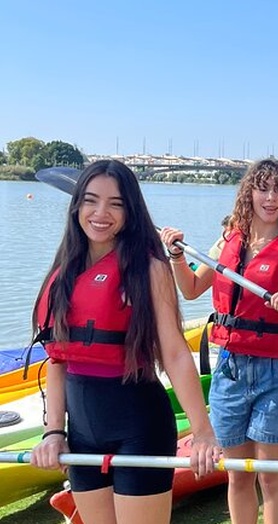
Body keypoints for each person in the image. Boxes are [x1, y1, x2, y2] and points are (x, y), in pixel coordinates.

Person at [29, 159, 220, 524]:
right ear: (77, 206)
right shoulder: (64, 273)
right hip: (82, 433)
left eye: (115, 204)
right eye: (91, 201)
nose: (101, 213)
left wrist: (202, 432)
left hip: (139, 426)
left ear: (130, 211)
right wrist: (54, 431)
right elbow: (57, 359)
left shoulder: (149, 269)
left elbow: (177, 355)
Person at [160, 159, 278, 524]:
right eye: (263, 188)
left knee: (270, 475)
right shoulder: (229, 240)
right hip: (230, 368)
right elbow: (190, 289)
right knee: (237, 472)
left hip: (277, 373)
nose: (271, 198)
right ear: (249, 192)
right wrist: (176, 255)